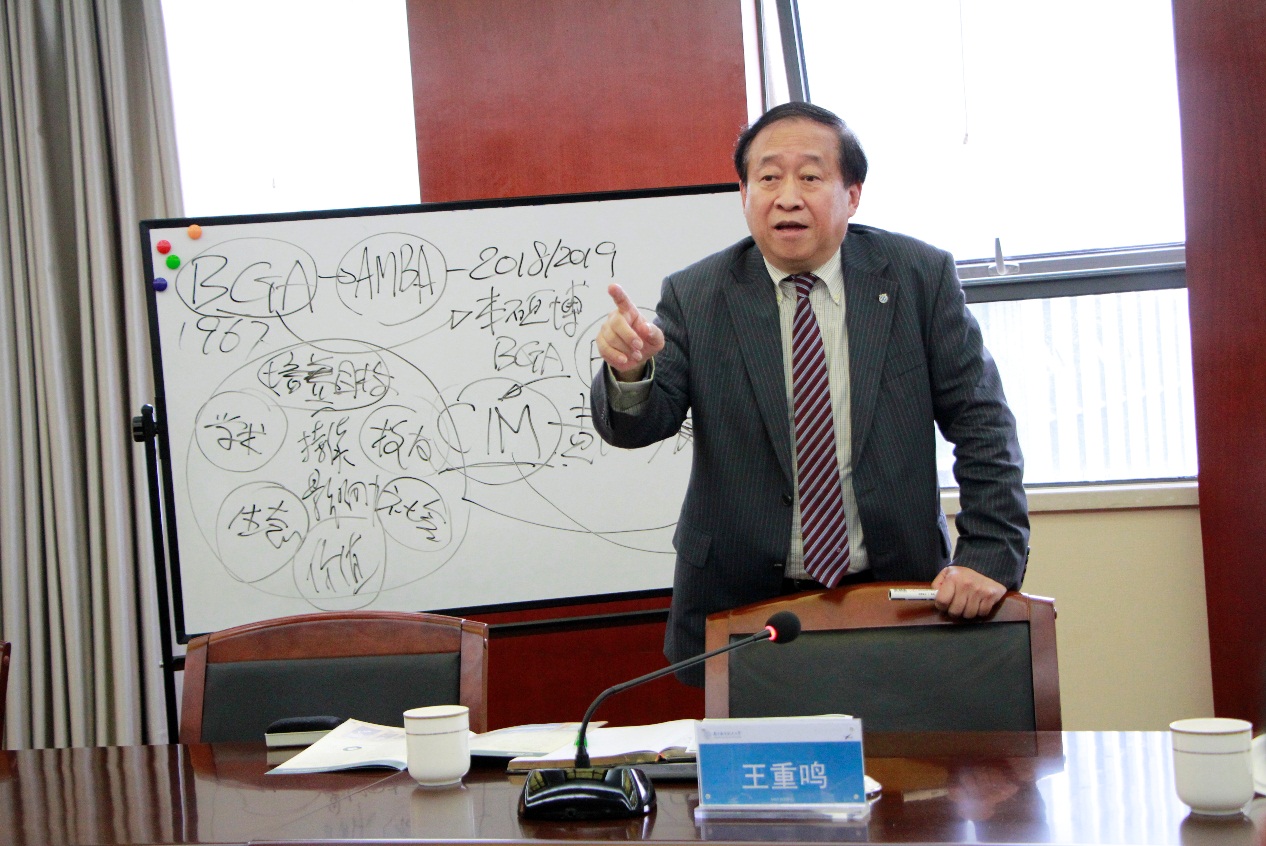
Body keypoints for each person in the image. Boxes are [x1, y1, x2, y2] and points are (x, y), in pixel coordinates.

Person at [590, 102, 1028, 685]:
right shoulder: (697, 294)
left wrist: (988, 554)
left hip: (895, 593)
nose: (788, 197)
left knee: (905, 745)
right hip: (743, 605)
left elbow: (982, 423)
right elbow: (642, 424)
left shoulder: (918, 277)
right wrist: (630, 373)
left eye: (811, 176)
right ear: (744, 194)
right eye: (769, 177)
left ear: (853, 195)